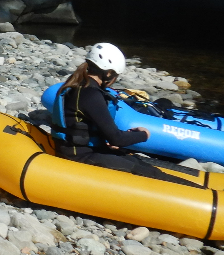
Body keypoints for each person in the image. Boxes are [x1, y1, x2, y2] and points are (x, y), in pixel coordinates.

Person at [49, 42, 181, 182]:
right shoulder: (90, 95)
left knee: (137, 162)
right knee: (148, 173)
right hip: (79, 156)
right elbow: (117, 139)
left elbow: (85, 126)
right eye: (115, 75)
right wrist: (143, 135)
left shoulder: (78, 86)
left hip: (79, 150)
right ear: (108, 73)